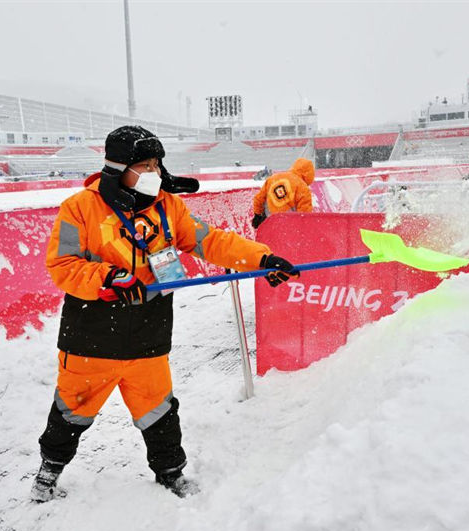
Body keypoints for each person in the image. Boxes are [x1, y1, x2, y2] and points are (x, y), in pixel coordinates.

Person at [31, 125, 299, 502]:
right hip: (91, 337)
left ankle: (171, 472)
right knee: (70, 411)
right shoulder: (80, 208)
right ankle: (49, 471)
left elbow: (211, 241)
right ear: (118, 167)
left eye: (157, 164)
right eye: (144, 165)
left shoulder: (169, 207)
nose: (153, 172)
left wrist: (262, 258)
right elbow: (62, 265)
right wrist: (109, 277)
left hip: (148, 334)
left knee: (159, 411)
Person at [251, 157, 315, 229]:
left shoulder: (273, 178)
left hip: (270, 222)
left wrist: (257, 215)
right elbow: (304, 214)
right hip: (289, 226)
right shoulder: (303, 187)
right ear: (309, 175)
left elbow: (259, 199)